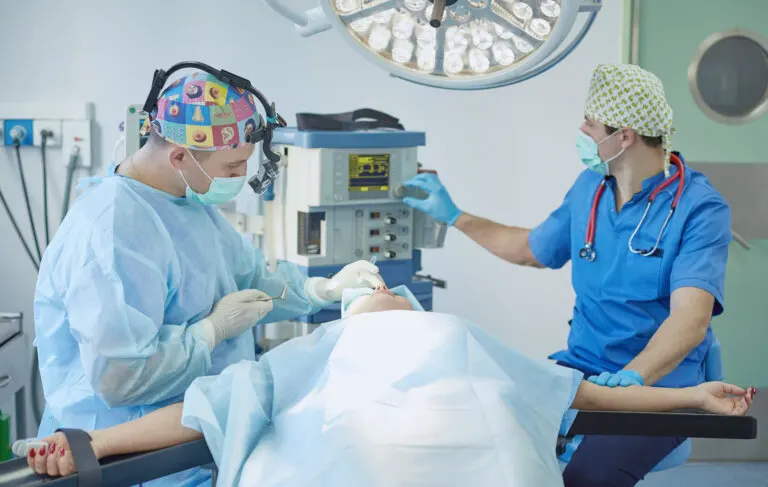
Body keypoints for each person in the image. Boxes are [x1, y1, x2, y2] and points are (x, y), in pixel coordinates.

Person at [27, 286, 755, 487]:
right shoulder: (319, 348)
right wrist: (83, 443)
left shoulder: (462, 336)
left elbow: (589, 394)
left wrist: (693, 396)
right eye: (372, 288)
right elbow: (194, 411)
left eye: (390, 289)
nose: (384, 291)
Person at [33, 71, 384, 486]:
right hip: (131, 460)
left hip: (202, 440)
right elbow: (120, 379)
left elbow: (248, 281)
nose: (238, 178)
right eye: (233, 166)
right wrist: (210, 331)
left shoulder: (186, 202)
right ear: (180, 156)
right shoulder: (111, 233)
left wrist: (318, 290)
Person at [400, 63, 733, 486]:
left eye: (591, 123)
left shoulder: (700, 209)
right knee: (486, 437)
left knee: (584, 478)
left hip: (658, 389)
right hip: (579, 371)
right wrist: (455, 216)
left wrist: (635, 377)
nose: (581, 128)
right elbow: (529, 250)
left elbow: (691, 319)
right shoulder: (588, 189)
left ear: (624, 136)